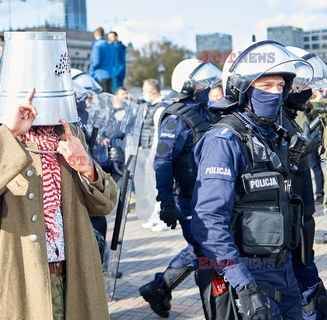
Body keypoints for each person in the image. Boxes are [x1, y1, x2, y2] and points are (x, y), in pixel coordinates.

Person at [0, 31, 117, 320]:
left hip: (72, 276)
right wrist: (8, 136)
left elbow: (105, 203)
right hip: (12, 283)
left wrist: (86, 165)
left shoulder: (68, 133)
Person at [192, 41, 312, 319]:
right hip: (247, 276)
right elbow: (209, 221)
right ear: (242, 88)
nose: (275, 93)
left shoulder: (272, 136)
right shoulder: (224, 141)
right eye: (266, 85)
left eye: (280, 87)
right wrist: (243, 283)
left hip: (284, 272)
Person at [138, 59, 222, 318]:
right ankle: (210, 303)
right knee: (206, 251)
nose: (208, 88)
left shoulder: (205, 111)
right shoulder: (176, 118)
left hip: (208, 195)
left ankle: (159, 287)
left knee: (202, 248)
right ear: (188, 86)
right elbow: (163, 162)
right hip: (188, 197)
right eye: (202, 83)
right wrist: (165, 202)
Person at [285, 46, 327, 320]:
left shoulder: (289, 118)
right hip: (283, 224)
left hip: (302, 218)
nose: (309, 92)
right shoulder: (265, 121)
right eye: (302, 86)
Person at [138, 79, 170, 232]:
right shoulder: (150, 107)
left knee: (157, 185)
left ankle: (163, 216)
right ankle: (155, 213)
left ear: (152, 92)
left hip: (155, 152)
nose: (143, 94)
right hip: (147, 151)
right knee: (150, 185)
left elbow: (158, 134)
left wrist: (153, 153)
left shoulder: (160, 108)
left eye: (144, 91)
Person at [89, 27, 114, 93]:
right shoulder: (110, 45)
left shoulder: (97, 45)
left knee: (101, 100)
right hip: (110, 75)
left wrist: (91, 72)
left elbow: (96, 62)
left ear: (95, 34)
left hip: (100, 76)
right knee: (109, 99)